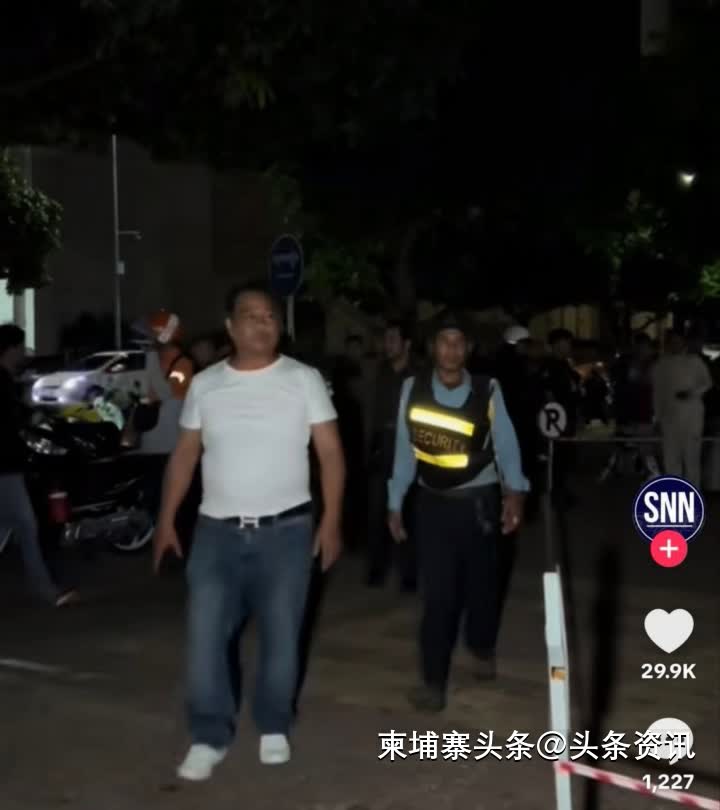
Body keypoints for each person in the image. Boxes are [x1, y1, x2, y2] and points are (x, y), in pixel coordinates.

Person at [152, 282, 345, 781]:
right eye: (251, 315)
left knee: (282, 637)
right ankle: (208, 734)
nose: (263, 323)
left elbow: (329, 453)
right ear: (231, 327)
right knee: (204, 638)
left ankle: (274, 724)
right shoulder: (206, 385)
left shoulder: (303, 380)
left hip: (287, 532)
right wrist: (166, 519)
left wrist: (331, 521)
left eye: (270, 316)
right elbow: (185, 455)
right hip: (216, 534)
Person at [387, 311, 529, 712]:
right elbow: (404, 451)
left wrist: (514, 494)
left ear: (467, 349)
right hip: (432, 506)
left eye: (458, 342)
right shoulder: (412, 389)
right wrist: (394, 502)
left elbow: (506, 444)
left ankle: (481, 647)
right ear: (432, 347)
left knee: (482, 587)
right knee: (439, 596)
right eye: (443, 341)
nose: (450, 349)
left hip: (479, 503)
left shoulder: (487, 390)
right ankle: (433, 682)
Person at [0, 324, 76, 606]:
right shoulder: (2, 381)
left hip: (8, 464)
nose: (24, 353)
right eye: (21, 347)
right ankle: (44, 590)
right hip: (5, 466)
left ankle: (44, 588)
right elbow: (11, 421)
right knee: (26, 524)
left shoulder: (7, 380)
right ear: (10, 349)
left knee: (10, 525)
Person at [366, 319, 417, 590]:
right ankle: (377, 569)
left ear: (406, 344)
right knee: (377, 512)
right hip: (382, 448)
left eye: (393, 339)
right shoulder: (378, 373)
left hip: (410, 449)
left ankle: (409, 573)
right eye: (386, 339)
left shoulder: (418, 376)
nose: (388, 345)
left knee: (408, 512)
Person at [652, 330, 712, 487]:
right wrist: (657, 418)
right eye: (672, 342)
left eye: (678, 341)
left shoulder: (694, 361)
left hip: (692, 417)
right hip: (669, 418)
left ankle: (693, 493)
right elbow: (658, 393)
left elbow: (707, 383)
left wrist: (692, 393)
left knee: (691, 459)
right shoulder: (661, 365)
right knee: (671, 459)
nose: (675, 345)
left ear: (683, 343)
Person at [541, 328, 581, 504]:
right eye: (565, 343)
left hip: (568, 416)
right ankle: (555, 492)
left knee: (565, 457)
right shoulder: (549, 366)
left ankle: (561, 490)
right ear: (556, 345)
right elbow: (548, 393)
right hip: (556, 419)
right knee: (557, 457)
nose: (568, 347)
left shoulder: (565, 365)